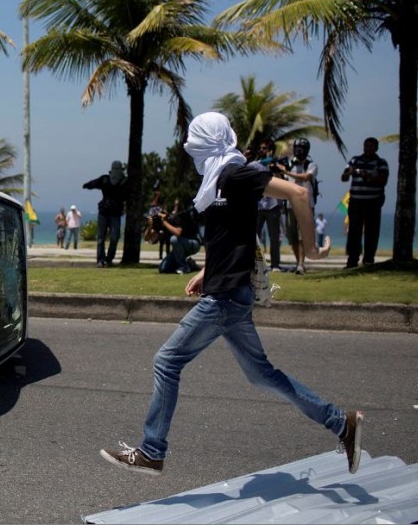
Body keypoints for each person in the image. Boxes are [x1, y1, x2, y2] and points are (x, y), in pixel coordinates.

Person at [99, 112, 363, 477]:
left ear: (208, 142)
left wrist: (313, 247)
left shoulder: (236, 172)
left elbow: (299, 193)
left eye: (195, 143)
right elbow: (231, 234)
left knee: (166, 361)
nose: (192, 151)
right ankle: (342, 424)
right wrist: (208, 270)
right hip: (228, 290)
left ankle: (152, 451)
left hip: (225, 299)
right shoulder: (218, 181)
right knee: (262, 375)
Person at [341, 137, 389, 268]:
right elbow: (343, 178)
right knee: (354, 232)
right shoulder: (354, 160)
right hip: (356, 201)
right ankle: (352, 259)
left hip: (373, 202)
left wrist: (367, 175)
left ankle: (369, 259)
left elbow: (383, 180)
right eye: (366, 146)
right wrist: (349, 172)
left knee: (372, 232)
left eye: (371, 146)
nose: (367, 149)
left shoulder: (381, 163)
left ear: (376, 148)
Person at [281, 137, 319, 274]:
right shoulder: (289, 163)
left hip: (306, 204)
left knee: (302, 235)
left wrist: (286, 172)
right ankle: (298, 262)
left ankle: (301, 264)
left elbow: (305, 177)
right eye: (296, 148)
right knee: (291, 235)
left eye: (300, 148)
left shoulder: (311, 164)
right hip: (290, 204)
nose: (298, 151)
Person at [83, 161, 129, 268]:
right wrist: (87, 185)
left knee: (114, 237)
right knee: (101, 237)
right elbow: (94, 183)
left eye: (118, 169)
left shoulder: (125, 182)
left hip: (116, 213)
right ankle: (100, 260)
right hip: (103, 211)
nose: (116, 171)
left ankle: (109, 259)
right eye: (114, 168)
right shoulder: (105, 179)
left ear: (121, 170)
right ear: (111, 169)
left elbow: (129, 195)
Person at [254, 139, 285, 271]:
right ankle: (255, 263)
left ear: (271, 150)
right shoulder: (256, 164)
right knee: (254, 236)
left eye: (265, 148)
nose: (262, 150)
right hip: (259, 205)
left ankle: (275, 264)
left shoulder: (277, 164)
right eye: (261, 148)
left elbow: (282, 179)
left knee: (274, 237)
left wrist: (275, 169)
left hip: (273, 205)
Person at [156, 206, 201, 274]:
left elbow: (178, 233)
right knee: (163, 268)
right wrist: (151, 225)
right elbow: (152, 240)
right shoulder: (163, 223)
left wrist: (164, 221)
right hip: (179, 247)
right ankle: (190, 264)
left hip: (192, 243)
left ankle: (184, 266)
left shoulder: (176, 217)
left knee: (174, 239)